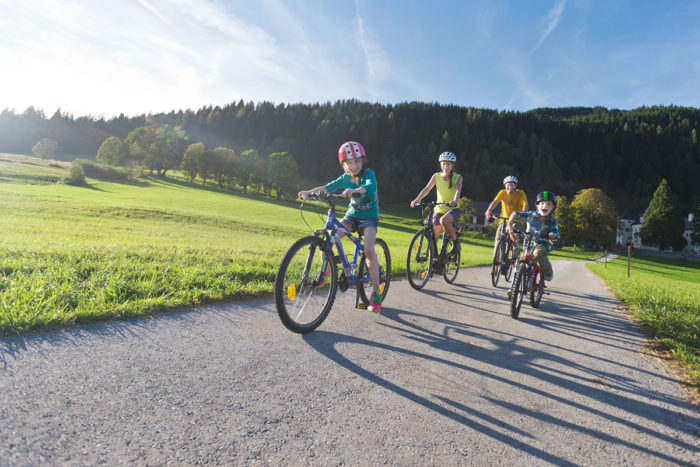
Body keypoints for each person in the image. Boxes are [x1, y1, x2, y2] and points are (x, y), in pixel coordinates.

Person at [297, 141, 383, 313]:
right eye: (349, 163)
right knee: (328, 240)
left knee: (368, 249)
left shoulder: (368, 174)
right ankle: (326, 272)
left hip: (369, 217)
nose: (354, 165)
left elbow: (370, 186)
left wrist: (356, 190)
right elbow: (326, 188)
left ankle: (375, 293)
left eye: (357, 161)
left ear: (362, 161)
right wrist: (309, 193)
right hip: (352, 216)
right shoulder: (345, 178)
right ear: (344, 164)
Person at [410, 151, 463, 255]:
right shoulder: (436, 176)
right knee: (434, 235)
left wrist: (455, 201)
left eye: (448, 164)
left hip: (453, 209)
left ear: (452, 165)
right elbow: (426, 189)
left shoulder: (458, 177)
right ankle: (434, 260)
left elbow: (457, 190)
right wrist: (416, 200)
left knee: (444, 220)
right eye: (443, 163)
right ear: (440, 164)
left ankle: (456, 243)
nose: (446, 166)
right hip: (439, 209)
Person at [505, 191, 560, 281]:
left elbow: (556, 236)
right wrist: (509, 225)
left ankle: (547, 269)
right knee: (524, 264)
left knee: (538, 253)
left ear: (553, 207)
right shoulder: (531, 215)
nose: (545, 206)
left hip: (543, 244)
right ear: (537, 206)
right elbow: (515, 214)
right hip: (528, 244)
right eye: (542, 203)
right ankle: (516, 286)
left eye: (549, 204)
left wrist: (553, 236)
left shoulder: (552, 220)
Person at [484, 175, 528, 258]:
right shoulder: (502, 192)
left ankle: (515, 251)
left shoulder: (520, 193)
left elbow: (525, 205)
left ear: (515, 185)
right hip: (503, 220)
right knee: (497, 241)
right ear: (505, 185)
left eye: (512, 185)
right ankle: (495, 266)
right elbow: (495, 202)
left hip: (516, 221)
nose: (510, 186)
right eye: (508, 184)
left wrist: (523, 214)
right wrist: (488, 210)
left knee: (514, 235)